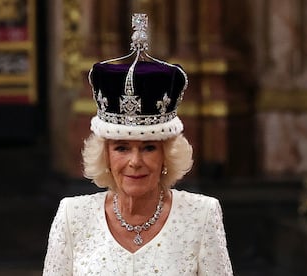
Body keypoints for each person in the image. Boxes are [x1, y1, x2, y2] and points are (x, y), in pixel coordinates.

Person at [43, 13, 233, 276]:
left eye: (149, 147)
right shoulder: (72, 217)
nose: (135, 161)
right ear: (105, 156)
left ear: (167, 154)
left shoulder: (201, 216)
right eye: (121, 147)